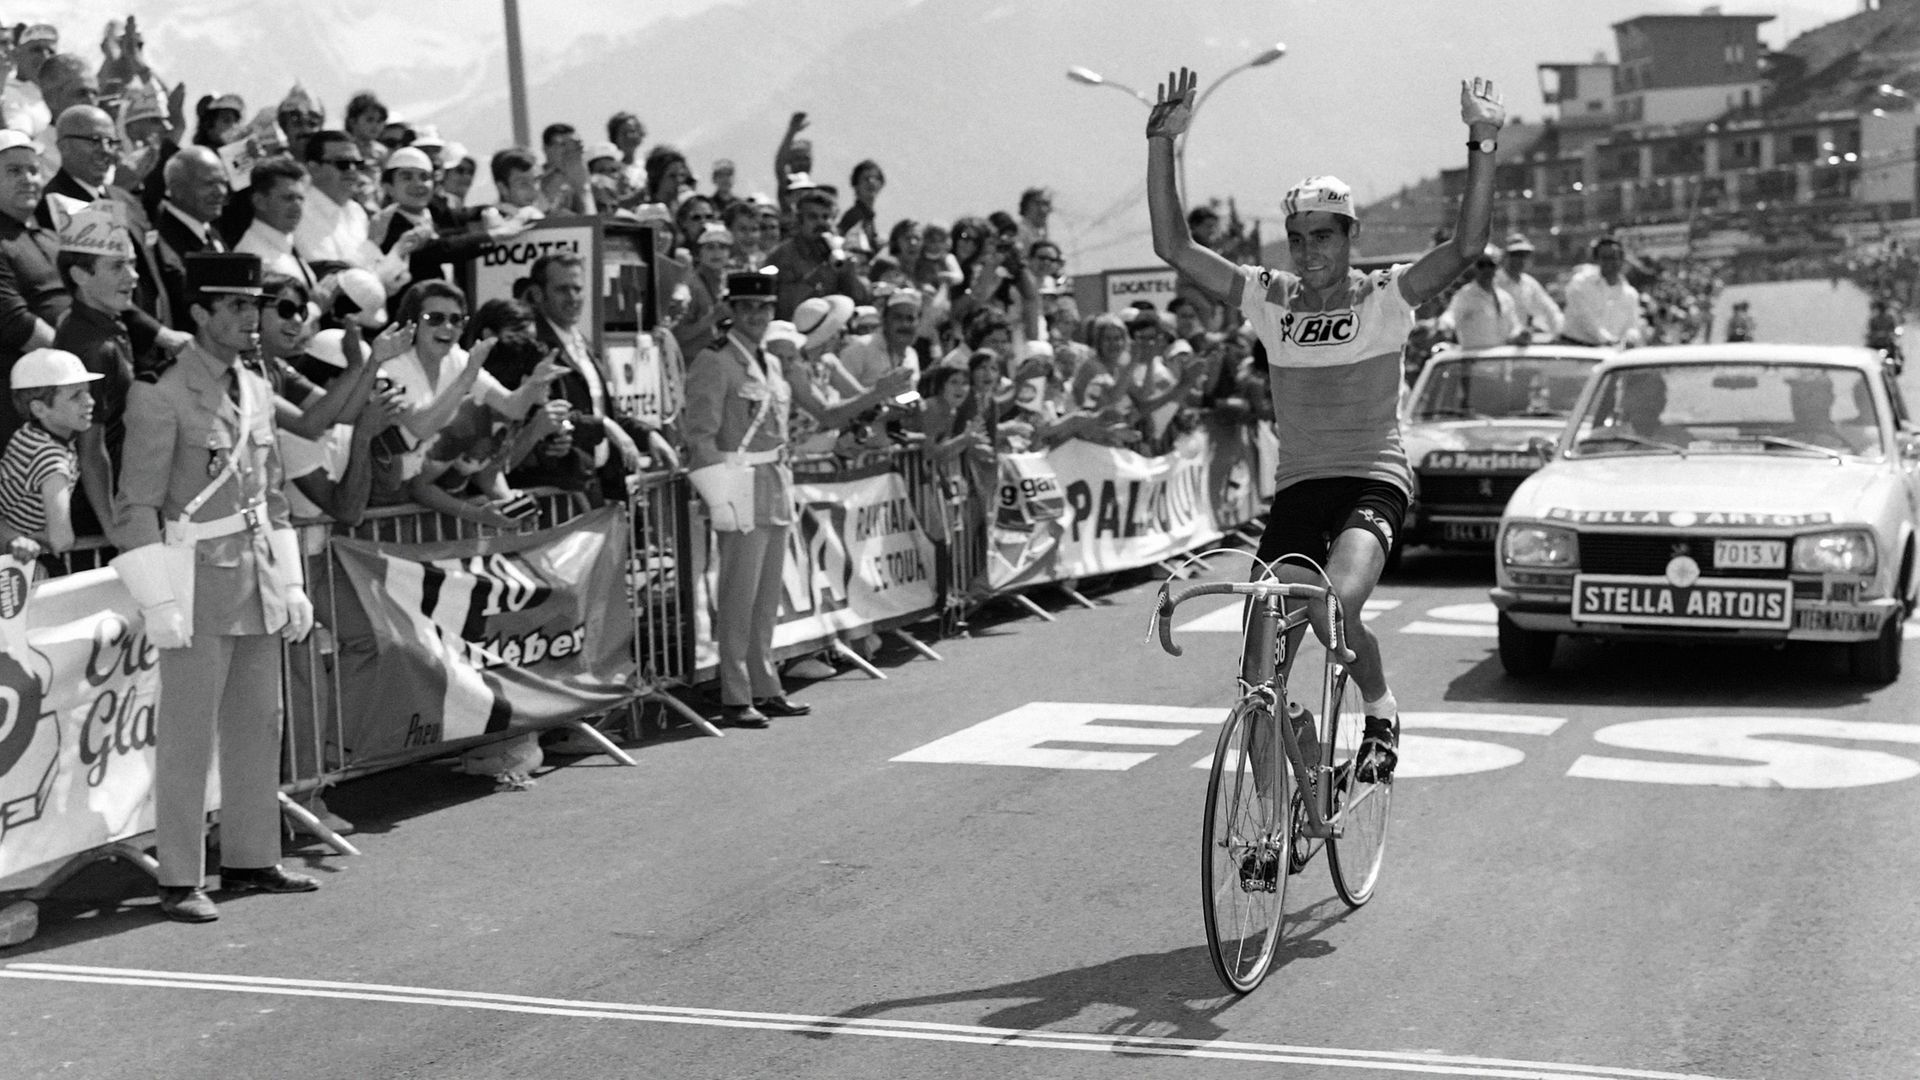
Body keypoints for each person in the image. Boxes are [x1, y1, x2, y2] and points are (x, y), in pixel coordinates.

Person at [1145, 66, 1508, 784]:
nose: (1308, 251)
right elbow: (1176, 250)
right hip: (1299, 489)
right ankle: (1278, 824)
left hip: (1371, 477)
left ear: (1350, 237)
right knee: (1256, 670)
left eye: (1322, 237)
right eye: (1297, 238)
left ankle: (1381, 709)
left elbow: (1466, 251)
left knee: (1332, 607)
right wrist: (1162, 145)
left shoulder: (1386, 295)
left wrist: (1483, 141)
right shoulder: (1270, 298)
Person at [109, 252, 318, 924]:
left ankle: (253, 858)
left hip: (254, 577)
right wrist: (157, 599)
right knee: (187, 734)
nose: (250, 317)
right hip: (193, 581)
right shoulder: (159, 393)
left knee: (261, 723)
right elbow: (134, 505)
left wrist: (291, 581)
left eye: (254, 304)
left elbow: (273, 494)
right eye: (234, 305)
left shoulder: (253, 386)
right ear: (198, 312)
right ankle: (178, 876)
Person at [683, 268, 811, 728]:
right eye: (747, 307)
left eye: (763, 307)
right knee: (737, 596)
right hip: (737, 485)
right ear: (731, 311)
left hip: (773, 484)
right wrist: (717, 492)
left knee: (764, 597)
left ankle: (765, 683)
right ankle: (736, 694)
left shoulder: (770, 362)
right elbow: (699, 434)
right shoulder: (715, 360)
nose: (756, 315)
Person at [0, 348, 99, 563]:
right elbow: (61, 539)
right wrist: (28, 538)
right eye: (75, 396)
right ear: (39, 409)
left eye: (88, 391)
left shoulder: (28, 434)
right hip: (13, 564)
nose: (89, 401)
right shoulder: (51, 459)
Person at [764, 187, 869, 319]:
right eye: (813, 217)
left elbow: (863, 302)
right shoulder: (782, 256)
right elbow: (786, 309)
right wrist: (817, 277)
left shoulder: (839, 252)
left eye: (826, 217)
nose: (821, 222)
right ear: (799, 221)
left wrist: (850, 276)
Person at [1561, 235, 1643, 348]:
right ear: (1596, 260)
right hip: (1577, 349)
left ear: (1622, 259)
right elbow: (1586, 320)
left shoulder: (1630, 294)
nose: (1611, 262)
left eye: (1615, 257)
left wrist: (1629, 339)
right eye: (1605, 257)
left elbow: (1632, 326)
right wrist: (1609, 341)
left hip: (1611, 353)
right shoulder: (1580, 284)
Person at [1439, 245, 1526, 349]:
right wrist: (1444, 326)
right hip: (1473, 360)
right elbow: (1451, 315)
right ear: (1475, 268)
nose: (1487, 269)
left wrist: (1520, 334)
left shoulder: (1505, 298)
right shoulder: (1465, 295)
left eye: (1491, 264)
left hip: (1500, 359)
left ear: (1497, 267)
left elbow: (1514, 327)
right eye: (1481, 265)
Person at [1497, 233, 1562, 342]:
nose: (1521, 259)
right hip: (1498, 343)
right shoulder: (1495, 282)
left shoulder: (1529, 283)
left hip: (1522, 341)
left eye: (1525, 255)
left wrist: (1559, 331)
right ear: (1505, 256)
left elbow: (1550, 309)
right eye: (1516, 254)